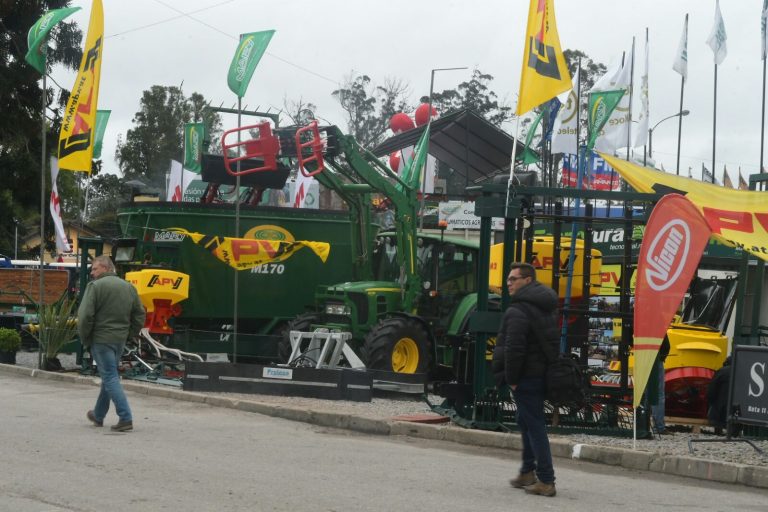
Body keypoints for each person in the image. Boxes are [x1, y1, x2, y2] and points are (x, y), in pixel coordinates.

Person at [492, 262, 559, 497]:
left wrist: (511, 379)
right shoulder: (545, 306)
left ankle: (547, 480)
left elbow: (514, 348)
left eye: (513, 279)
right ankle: (527, 472)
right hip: (540, 374)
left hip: (525, 377)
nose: (508, 283)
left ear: (528, 280)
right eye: (508, 279)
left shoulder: (519, 310)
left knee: (534, 425)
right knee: (525, 420)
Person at [78, 255, 145, 432]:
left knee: (110, 377)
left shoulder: (95, 287)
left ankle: (125, 417)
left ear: (106, 269)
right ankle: (98, 415)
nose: (92, 273)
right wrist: (130, 334)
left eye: (95, 269)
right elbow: (139, 314)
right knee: (109, 376)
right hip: (119, 340)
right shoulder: (129, 287)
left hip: (101, 339)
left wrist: (85, 338)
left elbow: (85, 316)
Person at [650, 337, 670, 434]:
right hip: (657, 358)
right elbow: (666, 345)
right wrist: (662, 357)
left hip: (642, 357)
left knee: (645, 392)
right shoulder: (658, 323)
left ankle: (642, 425)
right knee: (659, 394)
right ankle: (658, 427)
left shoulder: (639, 322)